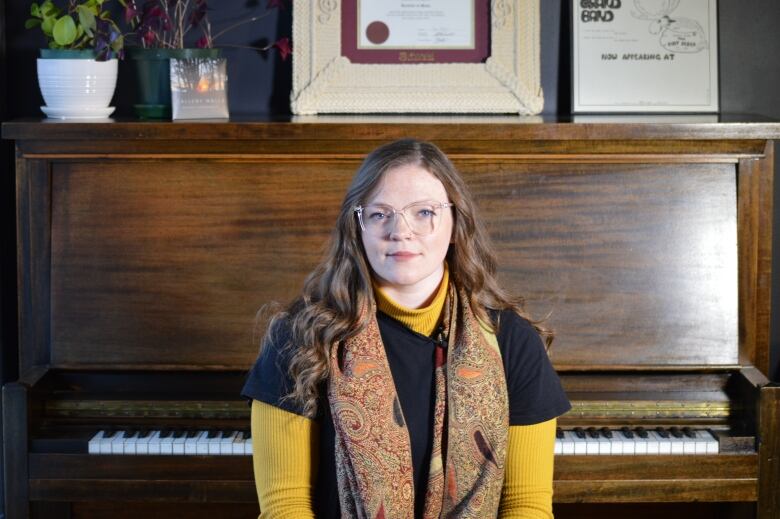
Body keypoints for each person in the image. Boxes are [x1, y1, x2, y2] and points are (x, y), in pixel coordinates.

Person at [241, 139, 571, 518]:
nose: (401, 230)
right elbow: (285, 507)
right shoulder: (298, 337)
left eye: (424, 212)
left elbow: (526, 506)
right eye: (380, 214)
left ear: (454, 223)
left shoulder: (512, 341)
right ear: (358, 227)